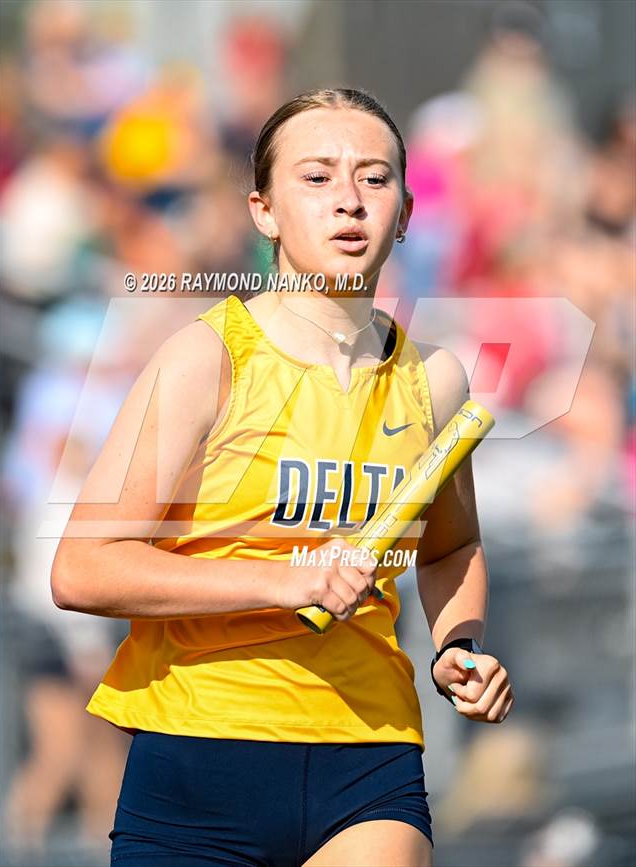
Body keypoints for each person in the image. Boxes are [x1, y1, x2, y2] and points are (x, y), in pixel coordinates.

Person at [51, 88, 514, 867]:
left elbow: (448, 549)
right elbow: (83, 567)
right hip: (201, 757)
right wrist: (283, 582)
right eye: (318, 177)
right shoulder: (206, 358)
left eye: (374, 179)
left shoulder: (435, 378)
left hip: (368, 755)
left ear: (404, 212)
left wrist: (456, 644)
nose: (349, 201)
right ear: (263, 211)